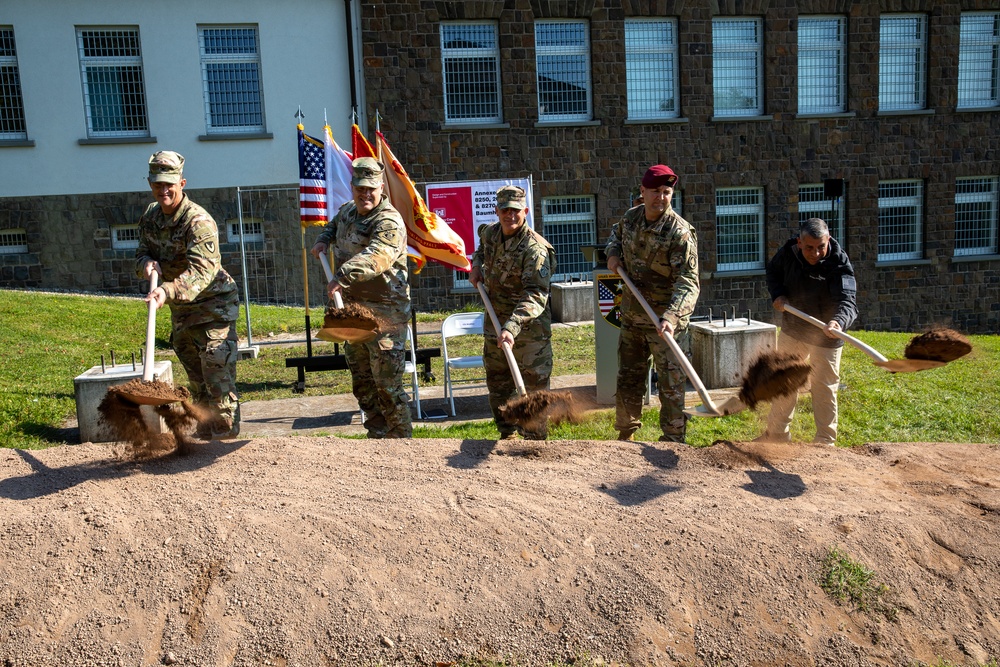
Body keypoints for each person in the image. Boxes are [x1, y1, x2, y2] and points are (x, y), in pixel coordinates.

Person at [136, 150, 241, 440]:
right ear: (150, 183)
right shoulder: (150, 217)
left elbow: (202, 271)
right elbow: (142, 251)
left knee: (215, 370)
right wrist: (145, 263)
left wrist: (166, 289)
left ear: (182, 183)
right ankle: (207, 439)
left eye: (170, 184)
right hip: (181, 310)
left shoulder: (198, 222)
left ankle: (224, 441)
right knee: (198, 382)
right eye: (158, 184)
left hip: (213, 305)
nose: (164, 190)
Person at [310, 157, 412, 439]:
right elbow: (334, 225)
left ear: (381, 188)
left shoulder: (388, 220)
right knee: (363, 381)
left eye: (371, 189)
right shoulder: (348, 211)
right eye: (360, 188)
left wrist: (341, 276)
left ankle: (402, 439)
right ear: (353, 186)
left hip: (385, 314)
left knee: (387, 384)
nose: (365, 194)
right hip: (353, 311)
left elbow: (378, 256)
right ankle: (377, 434)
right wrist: (323, 238)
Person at [606, 164, 700, 443]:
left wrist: (671, 316)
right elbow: (615, 237)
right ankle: (626, 434)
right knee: (628, 377)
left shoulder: (679, 233)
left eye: (667, 192)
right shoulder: (631, 218)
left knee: (671, 382)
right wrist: (612, 254)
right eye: (656, 191)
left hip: (665, 321)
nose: (661, 197)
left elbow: (689, 282)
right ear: (642, 192)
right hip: (633, 316)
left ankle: (673, 439)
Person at [756, 217, 857, 445]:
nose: (816, 253)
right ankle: (777, 435)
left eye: (821, 247)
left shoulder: (838, 264)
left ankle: (825, 441)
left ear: (828, 240)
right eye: (809, 247)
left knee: (823, 387)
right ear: (800, 243)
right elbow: (773, 271)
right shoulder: (789, 253)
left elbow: (848, 301)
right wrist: (779, 294)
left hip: (827, 333)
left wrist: (838, 322)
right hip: (795, 327)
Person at [469, 185, 556, 440]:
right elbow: (481, 251)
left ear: (525, 211)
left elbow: (536, 294)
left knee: (533, 390)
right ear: (497, 211)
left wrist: (512, 326)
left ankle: (535, 442)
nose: (510, 215)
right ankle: (506, 435)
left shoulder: (536, 249)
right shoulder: (491, 234)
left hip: (529, 333)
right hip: (495, 325)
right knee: (498, 384)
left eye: (516, 211)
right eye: (505, 210)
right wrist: (476, 267)